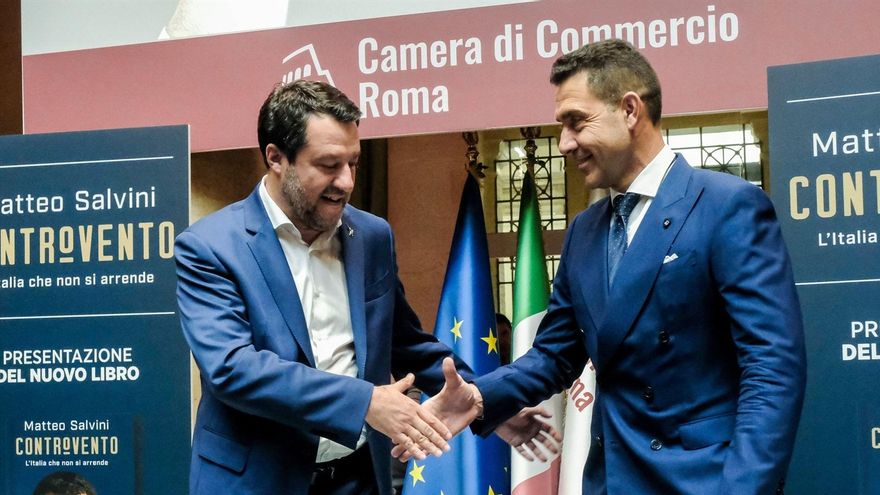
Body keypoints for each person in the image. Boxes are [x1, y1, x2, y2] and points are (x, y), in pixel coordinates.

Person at [423, 39, 808, 494]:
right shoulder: (584, 231)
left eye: (576, 122)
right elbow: (554, 354)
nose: (565, 143)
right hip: (613, 480)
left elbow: (771, 368)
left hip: (704, 480)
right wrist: (479, 396)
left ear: (629, 110)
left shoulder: (728, 206)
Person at [176, 80, 554, 495]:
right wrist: (366, 402)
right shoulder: (210, 246)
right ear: (276, 157)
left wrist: (486, 402)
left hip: (357, 480)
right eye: (328, 165)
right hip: (256, 481)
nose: (346, 182)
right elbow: (232, 368)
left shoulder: (372, 236)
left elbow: (406, 343)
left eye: (353, 163)